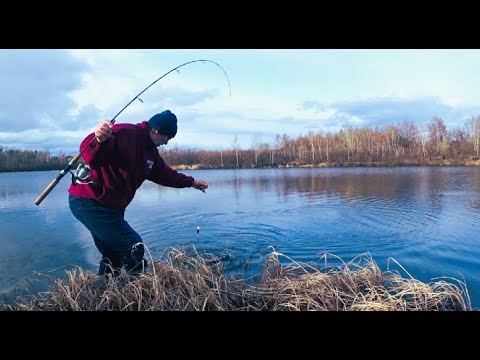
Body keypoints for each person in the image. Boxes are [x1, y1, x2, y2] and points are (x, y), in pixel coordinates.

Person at [68, 110, 208, 277]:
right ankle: (143, 288)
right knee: (133, 246)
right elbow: (89, 154)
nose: (166, 143)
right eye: (167, 138)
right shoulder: (126, 133)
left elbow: (165, 175)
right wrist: (99, 139)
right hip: (90, 202)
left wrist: (191, 183)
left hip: (110, 207)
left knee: (113, 254)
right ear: (156, 131)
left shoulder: (151, 153)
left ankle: (106, 293)